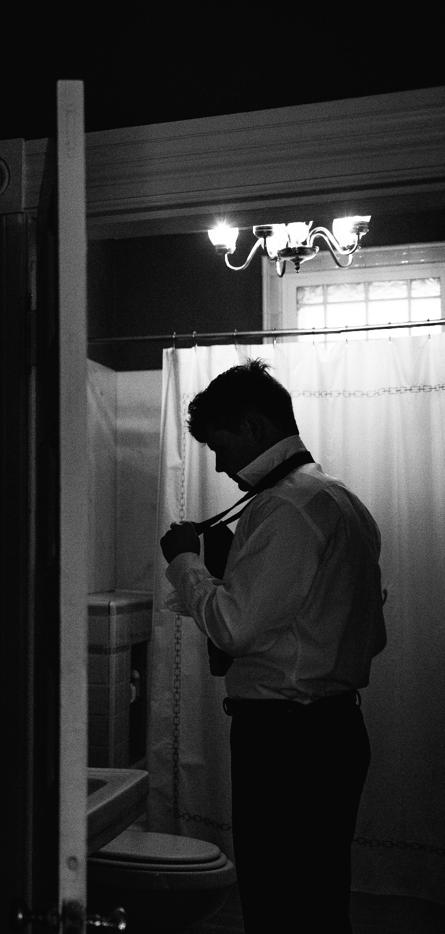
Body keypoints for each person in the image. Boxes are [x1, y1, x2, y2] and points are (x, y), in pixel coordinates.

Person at [159, 359, 386, 934]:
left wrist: (185, 560)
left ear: (256, 427)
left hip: (287, 743)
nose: (220, 465)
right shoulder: (342, 501)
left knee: (277, 900)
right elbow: (370, 637)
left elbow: (233, 628)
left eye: (221, 444)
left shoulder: (285, 507)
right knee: (317, 897)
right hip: (333, 734)